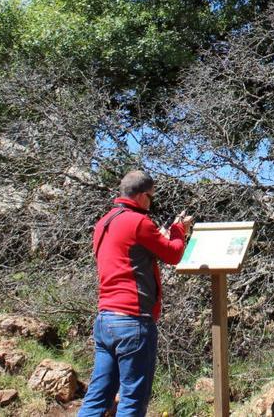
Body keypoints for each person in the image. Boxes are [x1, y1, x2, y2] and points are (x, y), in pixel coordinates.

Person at [78, 171, 194, 417]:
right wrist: (178, 229)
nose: (151, 203)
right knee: (132, 400)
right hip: (133, 321)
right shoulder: (138, 222)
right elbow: (173, 254)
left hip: (105, 319)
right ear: (142, 197)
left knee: (97, 397)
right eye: (151, 198)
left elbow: (126, 257)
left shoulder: (103, 223)